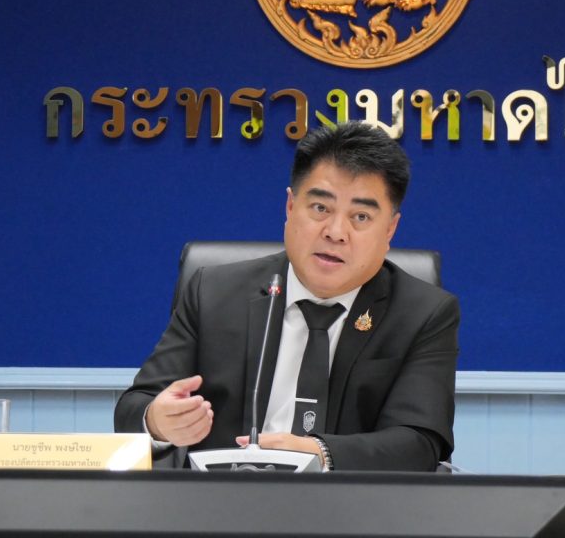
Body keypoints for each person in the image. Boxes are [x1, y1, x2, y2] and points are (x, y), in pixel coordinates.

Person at [114, 122, 460, 471]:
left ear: (389, 230)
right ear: (291, 206)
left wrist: (320, 454)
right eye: (320, 208)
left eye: (361, 216)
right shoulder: (214, 293)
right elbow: (134, 407)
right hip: (220, 500)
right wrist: (157, 422)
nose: (335, 232)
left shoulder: (423, 314)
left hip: (351, 503)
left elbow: (420, 443)